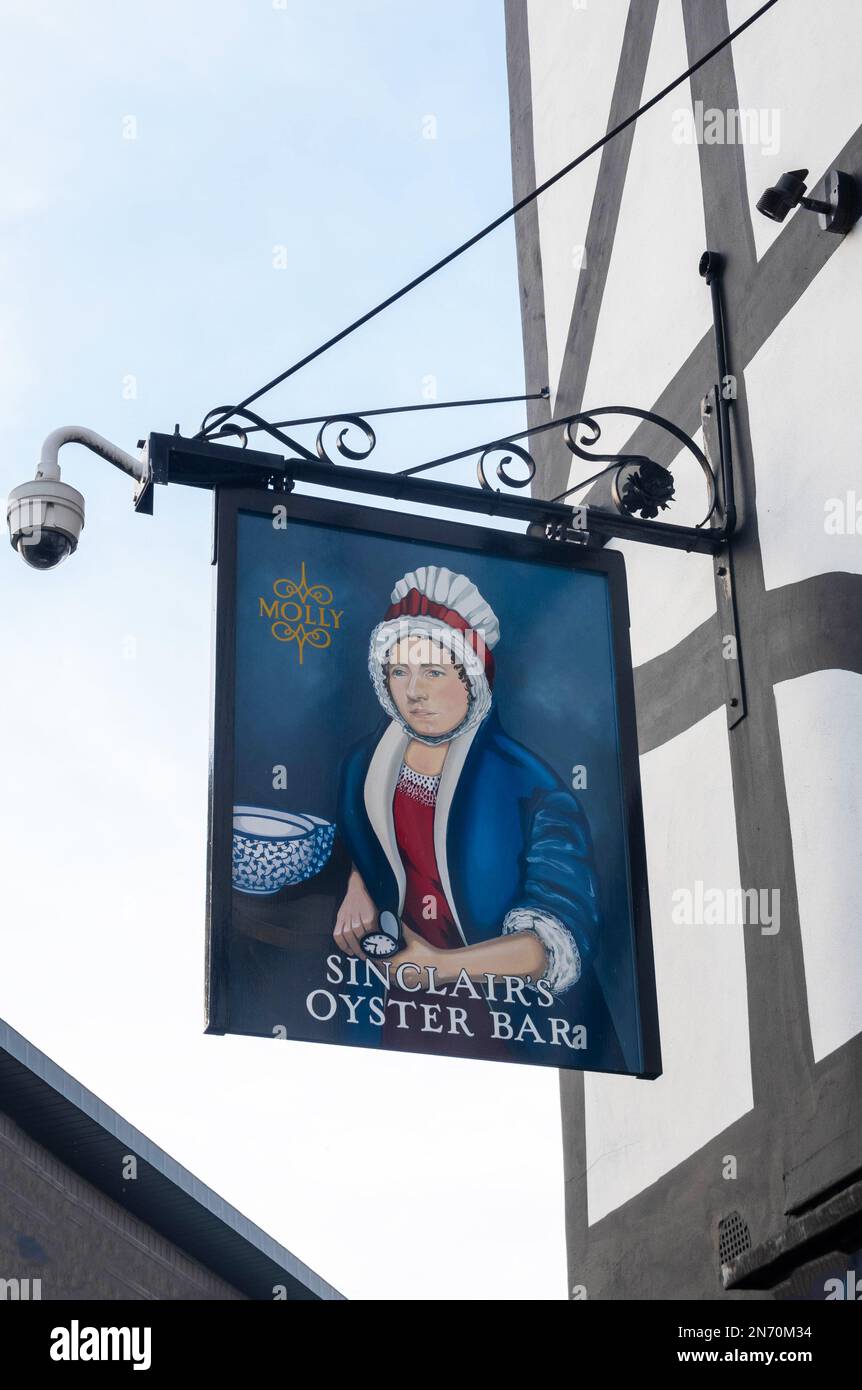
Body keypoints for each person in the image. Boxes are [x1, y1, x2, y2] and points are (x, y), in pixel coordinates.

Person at [334, 564, 622, 1062]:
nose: (414, 692)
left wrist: (441, 967)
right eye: (399, 671)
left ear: (472, 679)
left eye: (433, 671)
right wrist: (358, 887)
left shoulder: (531, 789)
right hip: (394, 1004)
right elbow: (368, 839)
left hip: (515, 1020)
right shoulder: (364, 765)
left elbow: (558, 937)